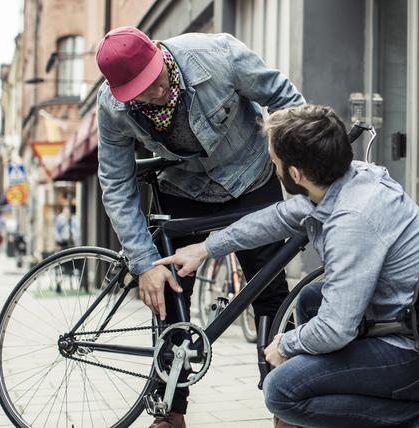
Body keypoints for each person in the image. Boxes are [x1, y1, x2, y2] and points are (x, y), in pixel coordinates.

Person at [156, 104, 419, 428]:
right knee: (311, 299)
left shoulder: (353, 220)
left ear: (295, 174)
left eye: (274, 163)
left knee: (281, 391)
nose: (273, 167)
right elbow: (277, 217)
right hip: (408, 327)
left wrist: (287, 345)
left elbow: (336, 329)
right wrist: (205, 248)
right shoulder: (348, 181)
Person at [94, 26, 305, 428]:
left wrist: (295, 167)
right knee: (172, 301)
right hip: (183, 188)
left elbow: (285, 98)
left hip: (251, 179)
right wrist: (145, 263)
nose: (153, 94)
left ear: (159, 53)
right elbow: (116, 182)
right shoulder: (112, 107)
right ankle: (170, 413)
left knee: (270, 292)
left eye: (155, 81)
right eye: (138, 90)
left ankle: (285, 407)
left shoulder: (219, 56)